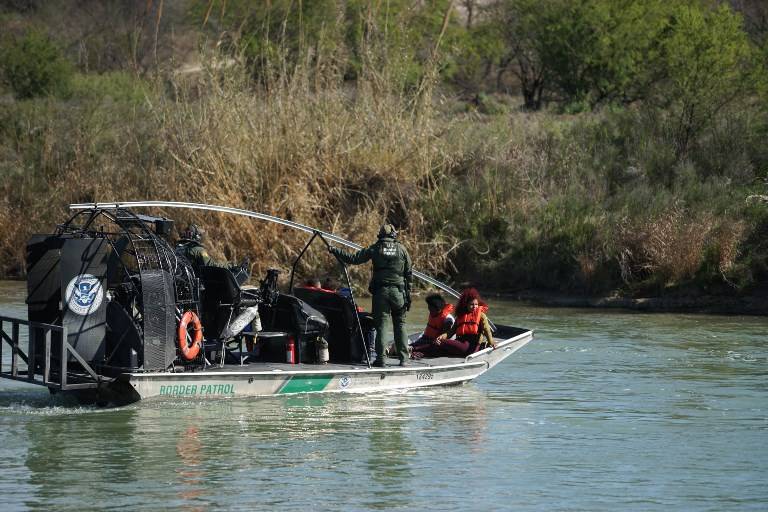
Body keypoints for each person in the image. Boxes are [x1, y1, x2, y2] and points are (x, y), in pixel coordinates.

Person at [328, 224, 412, 367]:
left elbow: (353, 259)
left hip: (381, 294)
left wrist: (335, 250)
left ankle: (381, 359)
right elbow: (408, 274)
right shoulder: (402, 249)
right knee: (401, 325)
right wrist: (407, 296)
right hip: (398, 293)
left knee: (382, 326)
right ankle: (404, 359)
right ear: (394, 235)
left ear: (380, 235)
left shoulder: (375, 248)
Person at [175, 224, 249, 285]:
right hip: (197, 286)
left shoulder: (178, 249)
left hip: (183, 284)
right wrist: (232, 265)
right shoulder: (197, 250)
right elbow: (211, 265)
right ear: (196, 236)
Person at [432, 288, 495, 357]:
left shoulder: (481, 315)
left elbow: (487, 330)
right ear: (465, 305)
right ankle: (419, 350)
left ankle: (481, 346)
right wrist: (441, 336)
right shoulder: (460, 316)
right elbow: (450, 332)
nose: (474, 307)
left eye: (476, 304)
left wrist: (491, 342)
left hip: (471, 346)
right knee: (437, 346)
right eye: (472, 304)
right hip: (461, 342)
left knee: (441, 343)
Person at [408, 293, 455, 357]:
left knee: (415, 348)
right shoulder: (434, 313)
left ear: (438, 309)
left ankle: (412, 349)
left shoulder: (448, 320)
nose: (429, 311)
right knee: (412, 345)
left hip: (438, 344)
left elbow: (442, 340)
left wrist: (416, 347)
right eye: (429, 308)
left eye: (431, 309)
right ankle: (410, 348)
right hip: (427, 339)